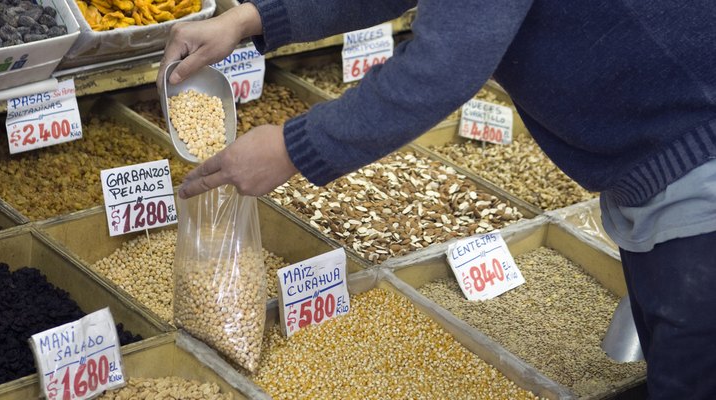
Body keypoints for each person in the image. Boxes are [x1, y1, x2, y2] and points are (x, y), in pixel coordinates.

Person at [159, 1, 716, 398]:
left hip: (697, 170)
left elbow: (446, 64)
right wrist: (253, 18)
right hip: (662, 169)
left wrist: (292, 147)